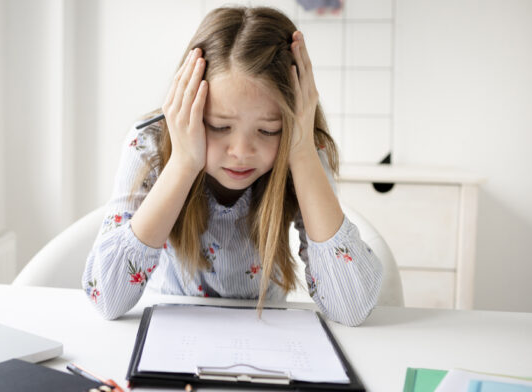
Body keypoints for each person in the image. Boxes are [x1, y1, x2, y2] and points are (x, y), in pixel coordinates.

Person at [82, 6, 382, 326]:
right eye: (219, 126)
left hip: (265, 332)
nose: (240, 152)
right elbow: (107, 299)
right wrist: (183, 163)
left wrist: (303, 155)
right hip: (171, 328)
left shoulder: (302, 148)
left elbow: (351, 309)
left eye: (268, 130)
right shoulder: (149, 145)